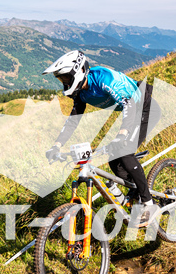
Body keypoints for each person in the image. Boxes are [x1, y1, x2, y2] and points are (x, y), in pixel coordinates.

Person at [43, 50, 156, 227]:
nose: (65, 83)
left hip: (144, 108)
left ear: (79, 71)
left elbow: (128, 104)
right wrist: (56, 146)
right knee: (114, 161)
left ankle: (149, 204)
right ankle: (137, 193)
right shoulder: (80, 92)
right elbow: (73, 120)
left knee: (124, 152)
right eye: (61, 80)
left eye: (66, 78)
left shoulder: (104, 79)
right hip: (132, 112)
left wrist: (122, 134)